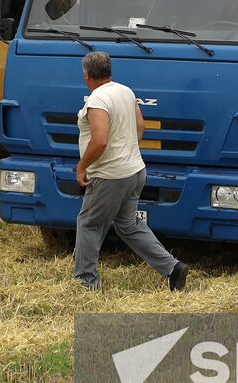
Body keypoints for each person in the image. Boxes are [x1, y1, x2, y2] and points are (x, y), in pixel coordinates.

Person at [73, 51, 188, 292]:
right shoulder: (125, 91)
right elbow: (140, 126)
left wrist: (82, 167)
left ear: (86, 75)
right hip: (135, 171)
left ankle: (86, 281)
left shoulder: (97, 100)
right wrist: (128, 152)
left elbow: (100, 140)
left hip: (109, 175)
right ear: (109, 70)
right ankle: (172, 267)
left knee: (90, 224)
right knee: (128, 225)